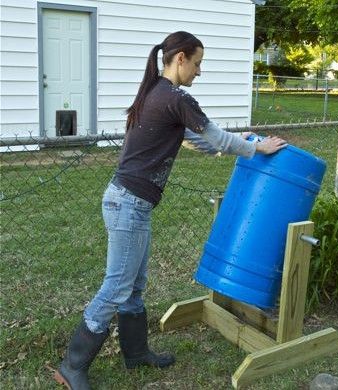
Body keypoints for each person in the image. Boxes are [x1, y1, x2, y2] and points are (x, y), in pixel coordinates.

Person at [54, 31, 287, 390]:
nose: (199, 71)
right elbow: (219, 138)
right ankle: (72, 365)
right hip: (128, 204)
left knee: (134, 285)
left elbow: (204, 144)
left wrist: (246, 143)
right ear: (180, 59)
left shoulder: (155, 93)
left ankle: (136, 354)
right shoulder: (176, 97)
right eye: (197, 63)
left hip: (130, 203)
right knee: (116, 286)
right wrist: (259, 149)